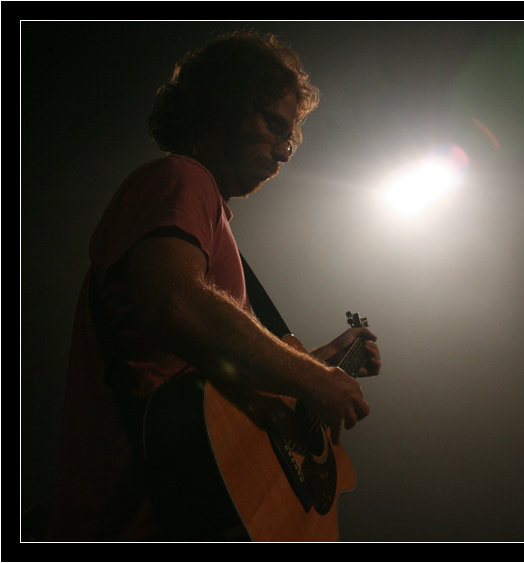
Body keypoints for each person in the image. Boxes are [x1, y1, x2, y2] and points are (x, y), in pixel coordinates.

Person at [47, 30, 381, 542]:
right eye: (274, 124)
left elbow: (220, 379)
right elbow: (178, 304)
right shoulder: (180, 177)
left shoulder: (207, 209)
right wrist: (314, 381)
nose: (285, 151)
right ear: (223, 105)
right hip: (136, 516)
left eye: (289, 135)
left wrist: (322, 363)